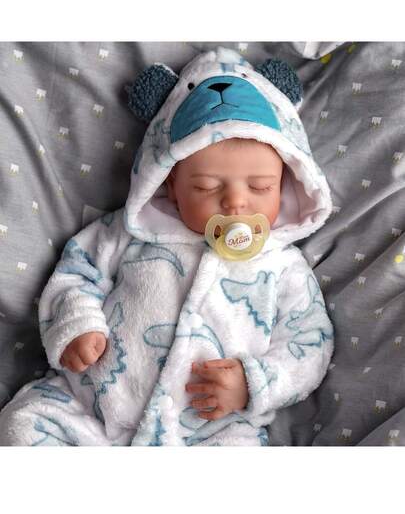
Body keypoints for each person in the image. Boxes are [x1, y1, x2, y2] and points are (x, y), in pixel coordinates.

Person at [0, 46, 334, 446]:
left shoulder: (283, 266)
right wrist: (77, 325)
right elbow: (76, 274)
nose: (236, 202)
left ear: (287, 183)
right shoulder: (127, 233)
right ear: (170, 184)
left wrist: (253, 384)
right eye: (206, 187)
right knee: (23, 425)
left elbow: (309, 343)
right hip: (88, 410)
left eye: (260, 186)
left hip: (209, 433)